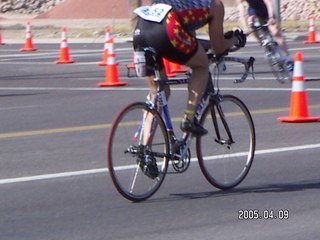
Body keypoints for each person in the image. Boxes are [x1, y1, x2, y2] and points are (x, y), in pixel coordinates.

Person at [133, 0, 247, 137]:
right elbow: (218, 47)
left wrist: (211, 44)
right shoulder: (215, 4)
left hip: (141, 31)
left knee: (158, 93)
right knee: (201, 66)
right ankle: (189, 118)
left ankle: (145, 151)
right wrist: (235, 39)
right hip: (168, 28)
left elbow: (191, 42)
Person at [237, 0, 293, 67]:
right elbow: (241, 10)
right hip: (254, 13)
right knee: (251, 26)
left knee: (276, 32)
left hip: (266, 10)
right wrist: (245, 28)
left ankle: (288, 57)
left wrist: (271, 17)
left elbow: (268, 3)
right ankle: (262, 42)